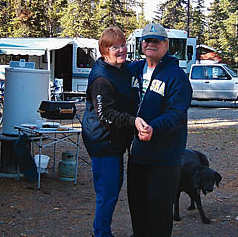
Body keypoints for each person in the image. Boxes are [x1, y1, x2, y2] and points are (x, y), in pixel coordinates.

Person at [82, 27, 148, 237]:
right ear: (104, 51)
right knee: (107, 192)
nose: (121, 50)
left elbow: (136, 65)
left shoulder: (120, 67)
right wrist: (133, 121)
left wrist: (160, 60)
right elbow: (106, 115)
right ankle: (100, 233)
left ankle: (101, 231)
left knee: (113, 187)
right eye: (114, 47)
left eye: (122, 45)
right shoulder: (102, 79)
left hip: (114, 141)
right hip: (103, 141)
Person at [127, 23, 193, 237]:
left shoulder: (176, 76)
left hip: (164, 158)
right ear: (141, 44)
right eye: (147, 40)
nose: (150, 44)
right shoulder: (134, 70)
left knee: (159, 213)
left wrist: (153, 128)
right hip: (137, 155)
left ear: (166, 45)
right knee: (138, 208)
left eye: (156, 40)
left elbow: (177, 114)